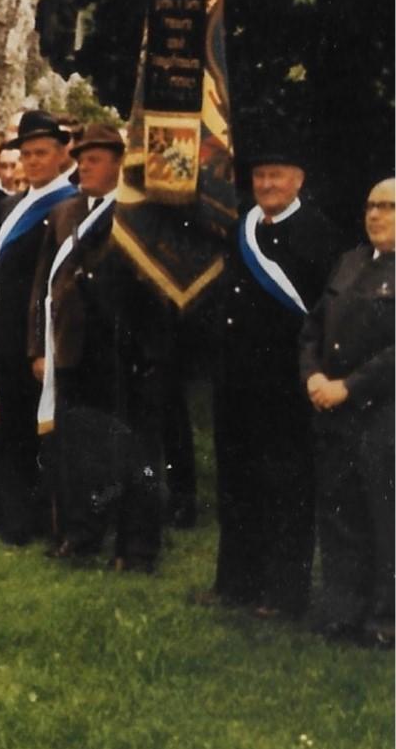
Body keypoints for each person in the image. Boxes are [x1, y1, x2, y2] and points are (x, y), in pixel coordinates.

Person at [202, 143, 339, 619]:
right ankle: (236, 582)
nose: (265, 186)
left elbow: (322, 314)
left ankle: (284, 592)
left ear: (298, 180)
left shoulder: (318, 233)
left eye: (276, 177)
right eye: (259, 177)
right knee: (237, 481)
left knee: (285, 485)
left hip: (283, 382)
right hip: (236, 379)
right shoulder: (245, 227)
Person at [33, 123, 167, 571]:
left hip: (120, 353)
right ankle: (81, 533)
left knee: (134, 453)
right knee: (77, 450)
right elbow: (43, 287)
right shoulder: (65, 212)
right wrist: (39, 346)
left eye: (93, 160)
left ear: (117, 164)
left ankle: (137, 547)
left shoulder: (135, 214)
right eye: (81, 159)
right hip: (71, 350)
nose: (83, 167)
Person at [298, 177, 394, 648]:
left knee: (384, 515)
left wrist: (349, 388)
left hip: (382, 414)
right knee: (339, 513)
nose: (375, 215)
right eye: (371, 205)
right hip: (333, 410)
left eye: (388, 207)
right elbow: (312, 327)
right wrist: (313, 375)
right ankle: (342, 609)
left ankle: (383, 620)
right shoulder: (350, 261)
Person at [0, 110, 77, 544]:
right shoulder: (9, 204)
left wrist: (43, 344)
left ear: (61, 156)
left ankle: (44, 519)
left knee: (42, 432)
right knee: (11, 428)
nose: (33, 162)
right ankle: (12, 518)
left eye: (42, 153)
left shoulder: (67, 205)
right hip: (3, 330)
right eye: (27, 154)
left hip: (36, 336)